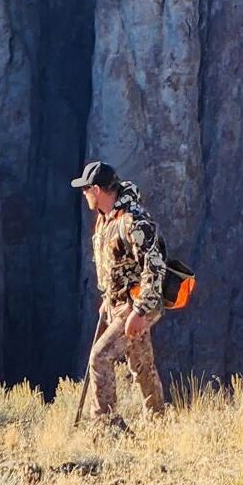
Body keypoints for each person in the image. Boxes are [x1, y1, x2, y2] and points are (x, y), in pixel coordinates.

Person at [71, 158, 167, 428]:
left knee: (100, 357)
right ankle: (159, 422)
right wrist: (107, 299)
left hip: (135, 305)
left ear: (97, 190)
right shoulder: (106, 219)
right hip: (118, 304)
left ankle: (106, 426)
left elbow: (154, 266)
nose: (84, 194)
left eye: (86, 189)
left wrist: (139, 311)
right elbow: (116, 264)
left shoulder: (133, 221)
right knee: (142, 365)